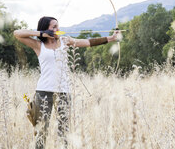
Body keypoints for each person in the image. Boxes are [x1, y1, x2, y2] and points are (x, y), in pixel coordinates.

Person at [13, 16, 120, 149]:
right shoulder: (38, 45)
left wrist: (111, 38)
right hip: (43, 91)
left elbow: (87, 42)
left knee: (64, 131)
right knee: (41, 131)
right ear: (45, 29)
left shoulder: (65, 41)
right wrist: (40, 34)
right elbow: (17, 33)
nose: (58, 29)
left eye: (58, 26)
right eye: (54, 27)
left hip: (64, 91)